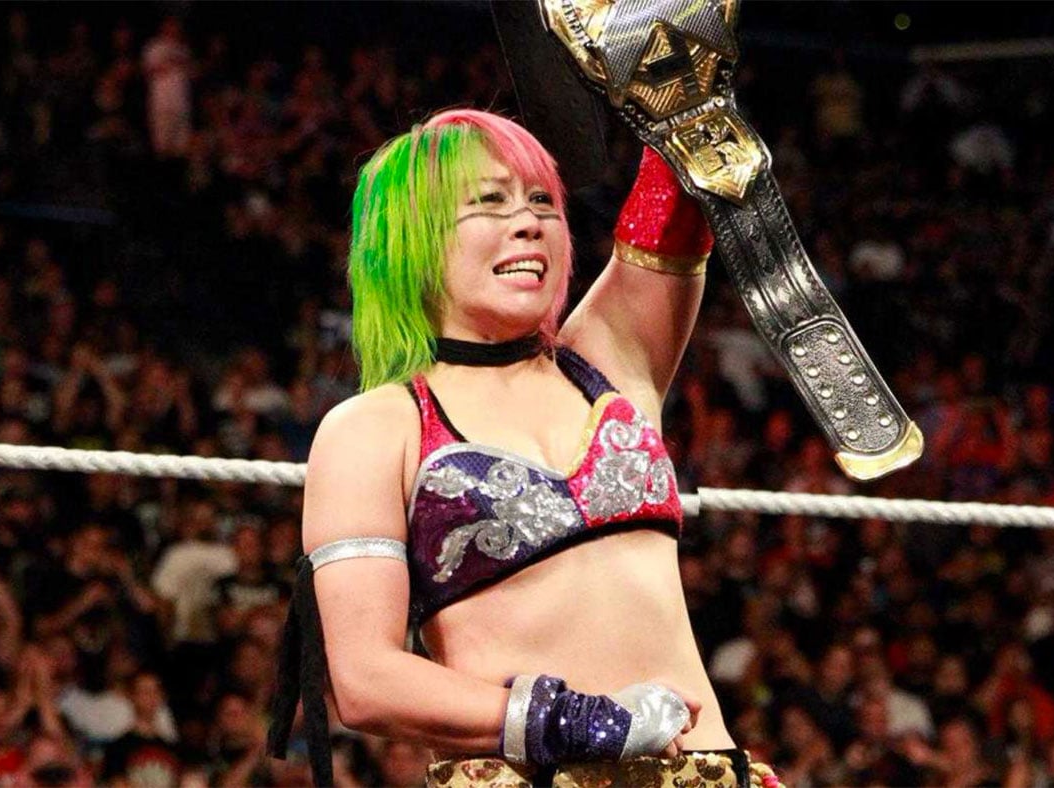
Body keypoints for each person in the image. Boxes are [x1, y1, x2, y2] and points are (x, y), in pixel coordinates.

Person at [269, 109, 778, 787]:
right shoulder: (377, 426)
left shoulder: (606, 358)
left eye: (541, 200)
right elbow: (366, 680)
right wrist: (582, 721)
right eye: (489, 202)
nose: (529, 221)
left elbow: (679, 185)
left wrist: (687, 96)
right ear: (411, 237)